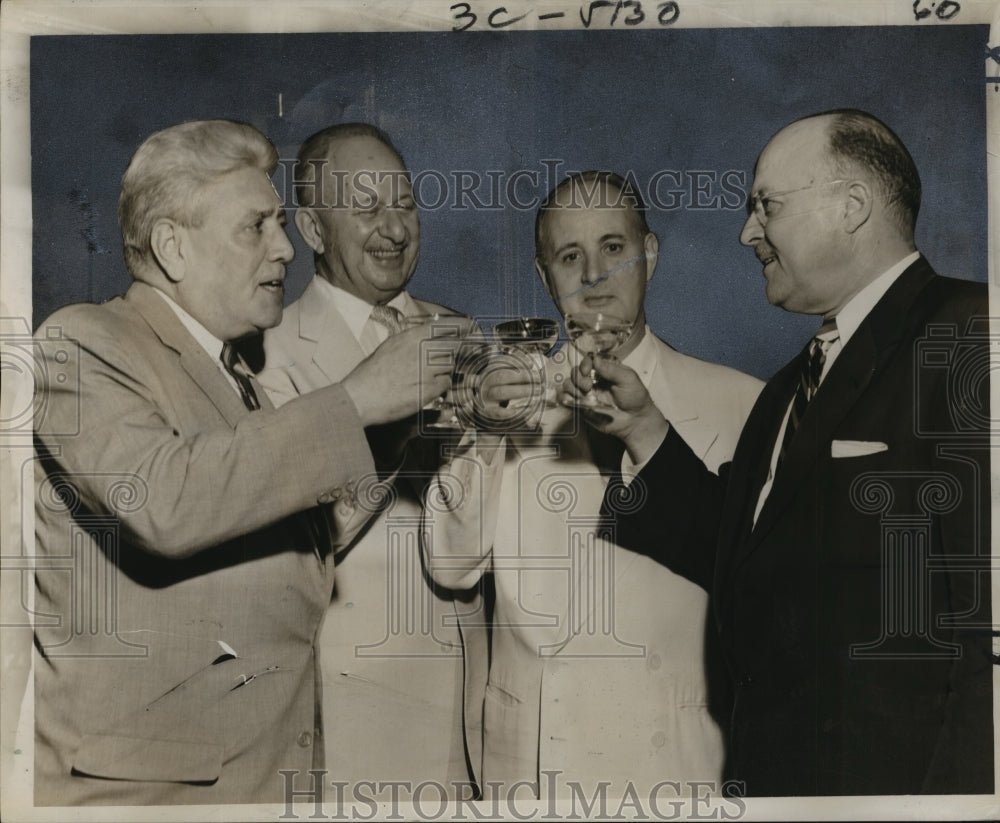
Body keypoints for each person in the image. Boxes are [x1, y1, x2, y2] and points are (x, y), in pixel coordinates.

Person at [31, 119, 456, 805]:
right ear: (173, 245)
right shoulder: (80, 344)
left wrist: (399, 435)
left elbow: (288, 542)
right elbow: (164, 501)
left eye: (281, 223)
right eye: (255, 226)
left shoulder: (237, 378)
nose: (286, 249)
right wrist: (357, 399)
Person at [579, 109, 994, 795]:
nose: (747, 233)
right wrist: (644, 430)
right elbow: (752, 557)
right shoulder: (788, 388)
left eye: (765, 206)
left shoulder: (973, 337)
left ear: (851, 205)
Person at [422, 171, 763, 798]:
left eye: (613, 248)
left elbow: (763, 592)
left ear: (650, 255)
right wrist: (489, 431)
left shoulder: (743, 405)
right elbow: (450, 565)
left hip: (674, 768)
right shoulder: (501, 402)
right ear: (544, 275)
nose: (594, 275)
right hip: (529, 771)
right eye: (569, 256)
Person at [258, 123, 469, 791]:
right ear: (314, 231)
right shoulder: (266, 355)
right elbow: (293, 547)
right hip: (351, 717)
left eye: (404, 203)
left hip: (475, 711)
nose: (394, 228)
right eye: (367, 207)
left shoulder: (463, 335)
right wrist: (395, 425)